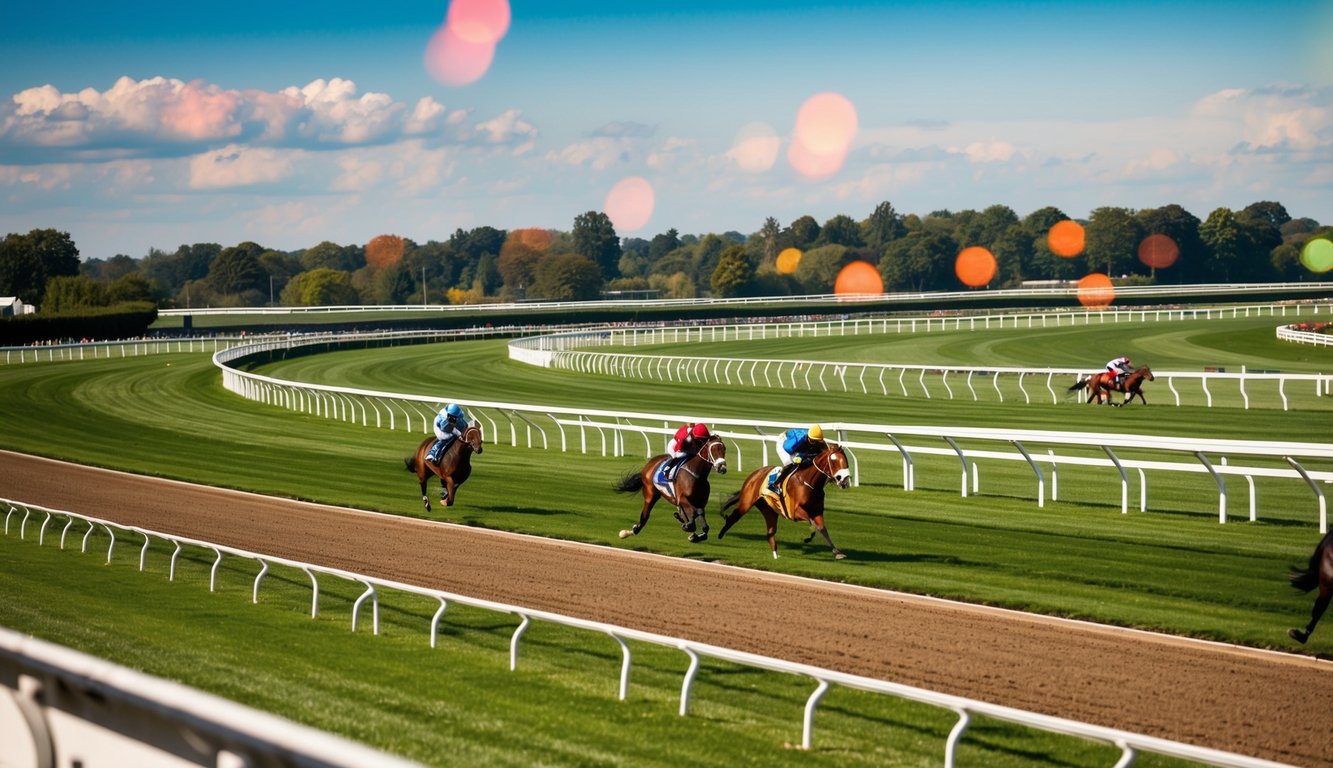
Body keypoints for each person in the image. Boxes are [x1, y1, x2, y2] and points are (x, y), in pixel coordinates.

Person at [770, 424, 826, 493]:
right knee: (790, 464)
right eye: (812, 440)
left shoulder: (816, 441)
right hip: (785, 444)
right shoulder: (800, 439)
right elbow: (788, 449)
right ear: (808, 436)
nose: (814, 443)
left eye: (816, 441)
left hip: (797, 447)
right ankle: (774, 484)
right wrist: (799, 457)